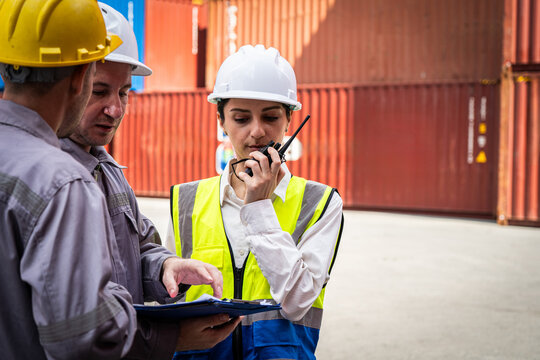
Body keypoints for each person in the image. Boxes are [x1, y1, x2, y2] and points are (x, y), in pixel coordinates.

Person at [59, 2, 241, 357]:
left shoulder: (108, 171)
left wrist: (167, 267)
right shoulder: (50, 181)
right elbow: (68, 322)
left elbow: (139, 248)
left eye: (124, 92)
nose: (115, 109)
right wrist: (171, 340)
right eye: (99, 91)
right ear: (68, 83)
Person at [166, 44, 344, 360]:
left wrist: (259, 209)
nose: (257, 132)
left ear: (290, 120)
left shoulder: (320, 203)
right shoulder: (186, 200)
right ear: (221, 120)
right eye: (241, 118)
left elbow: (297, 302)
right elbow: (166, 299)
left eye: (271, 116)